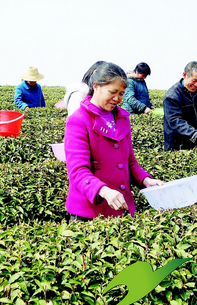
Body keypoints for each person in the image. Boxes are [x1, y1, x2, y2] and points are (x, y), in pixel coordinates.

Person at [65, 62, 164, 221]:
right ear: (96, 86)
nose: (117, 98)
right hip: (90, 212)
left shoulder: (122, 118)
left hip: (120, 208)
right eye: (113, 92)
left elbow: (129, 161)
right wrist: (103, 190)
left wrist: (145, 180)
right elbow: (77, 171)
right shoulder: (78, 120)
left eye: (122, 93)